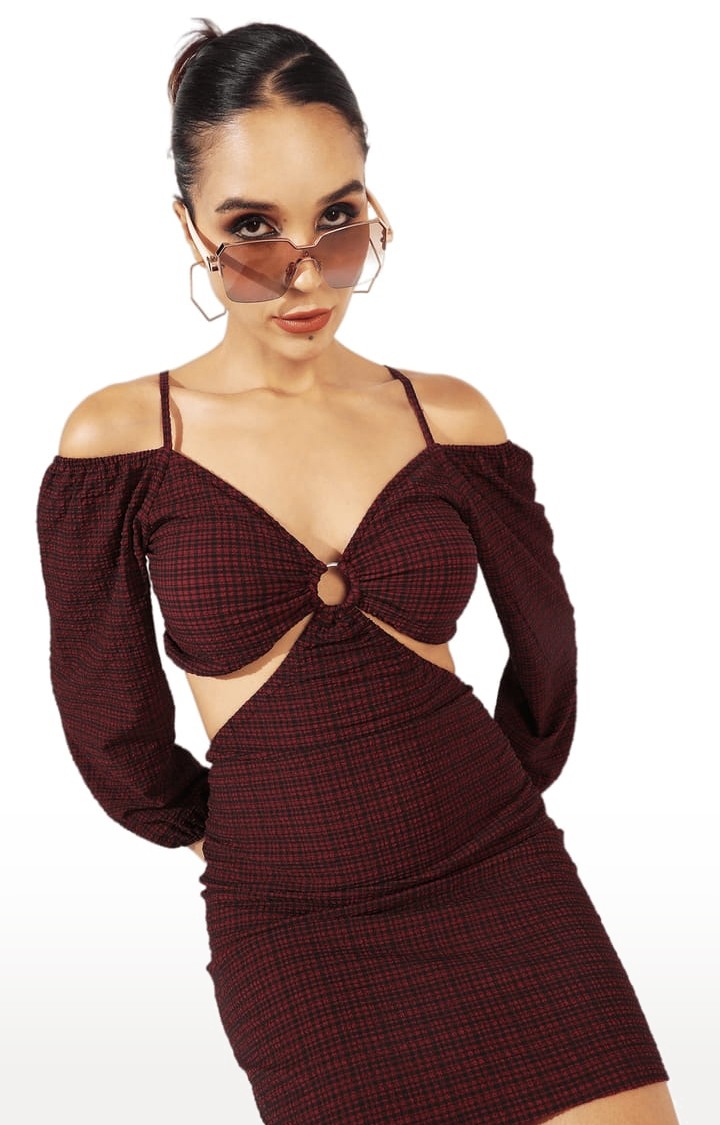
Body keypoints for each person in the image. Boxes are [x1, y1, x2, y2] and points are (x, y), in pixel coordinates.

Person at [36, 18, 680, 1125]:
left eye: (336, 219)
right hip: (294, 929)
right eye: (253, 229)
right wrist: (237, 825)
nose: (304, 272)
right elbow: (108, 712)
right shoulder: (121, 444)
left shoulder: (449, 419)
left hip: (501, 871)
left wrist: (504, 785)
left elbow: (549, 643)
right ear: (188, 225)